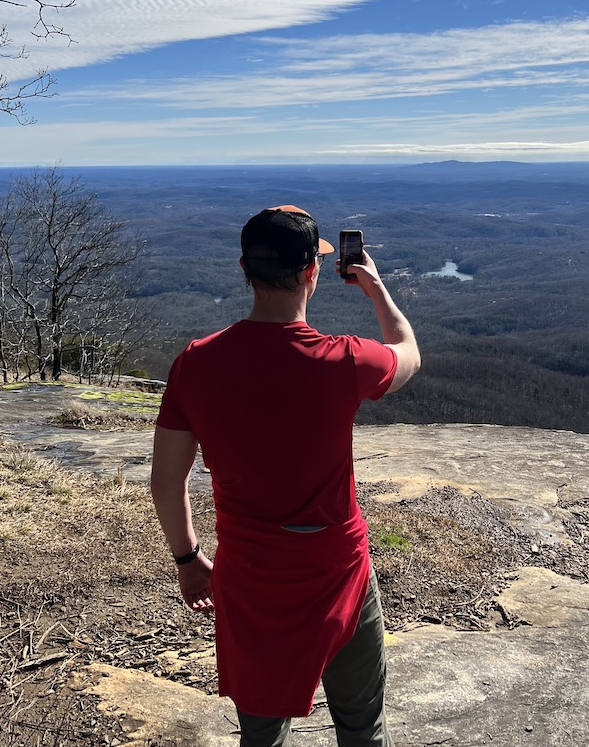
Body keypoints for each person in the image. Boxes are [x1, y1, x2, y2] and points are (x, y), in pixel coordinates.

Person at [150, 204, 420, 747]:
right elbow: (408, 353)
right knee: (361, 723)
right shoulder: (343, 359)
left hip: (249, 569)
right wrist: (375, 289)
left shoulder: (196, 362)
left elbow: (166, 479)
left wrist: (187, 559)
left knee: (262, 725)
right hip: (336, 566)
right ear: (311, 273)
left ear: (244, 268)